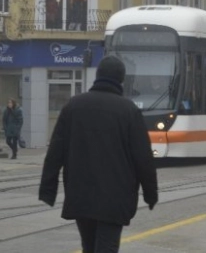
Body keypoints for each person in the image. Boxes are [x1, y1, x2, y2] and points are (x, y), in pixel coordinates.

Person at [39, 56, 158, 253]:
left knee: (89, 246)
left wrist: (47, 189)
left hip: (80, 195)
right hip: (115, 198)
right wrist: (150, 194)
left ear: (98, 75)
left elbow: (55, 153)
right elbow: (143, 158)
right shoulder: (128, 111)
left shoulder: (73, 106)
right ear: (121, 79)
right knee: (106, 247)